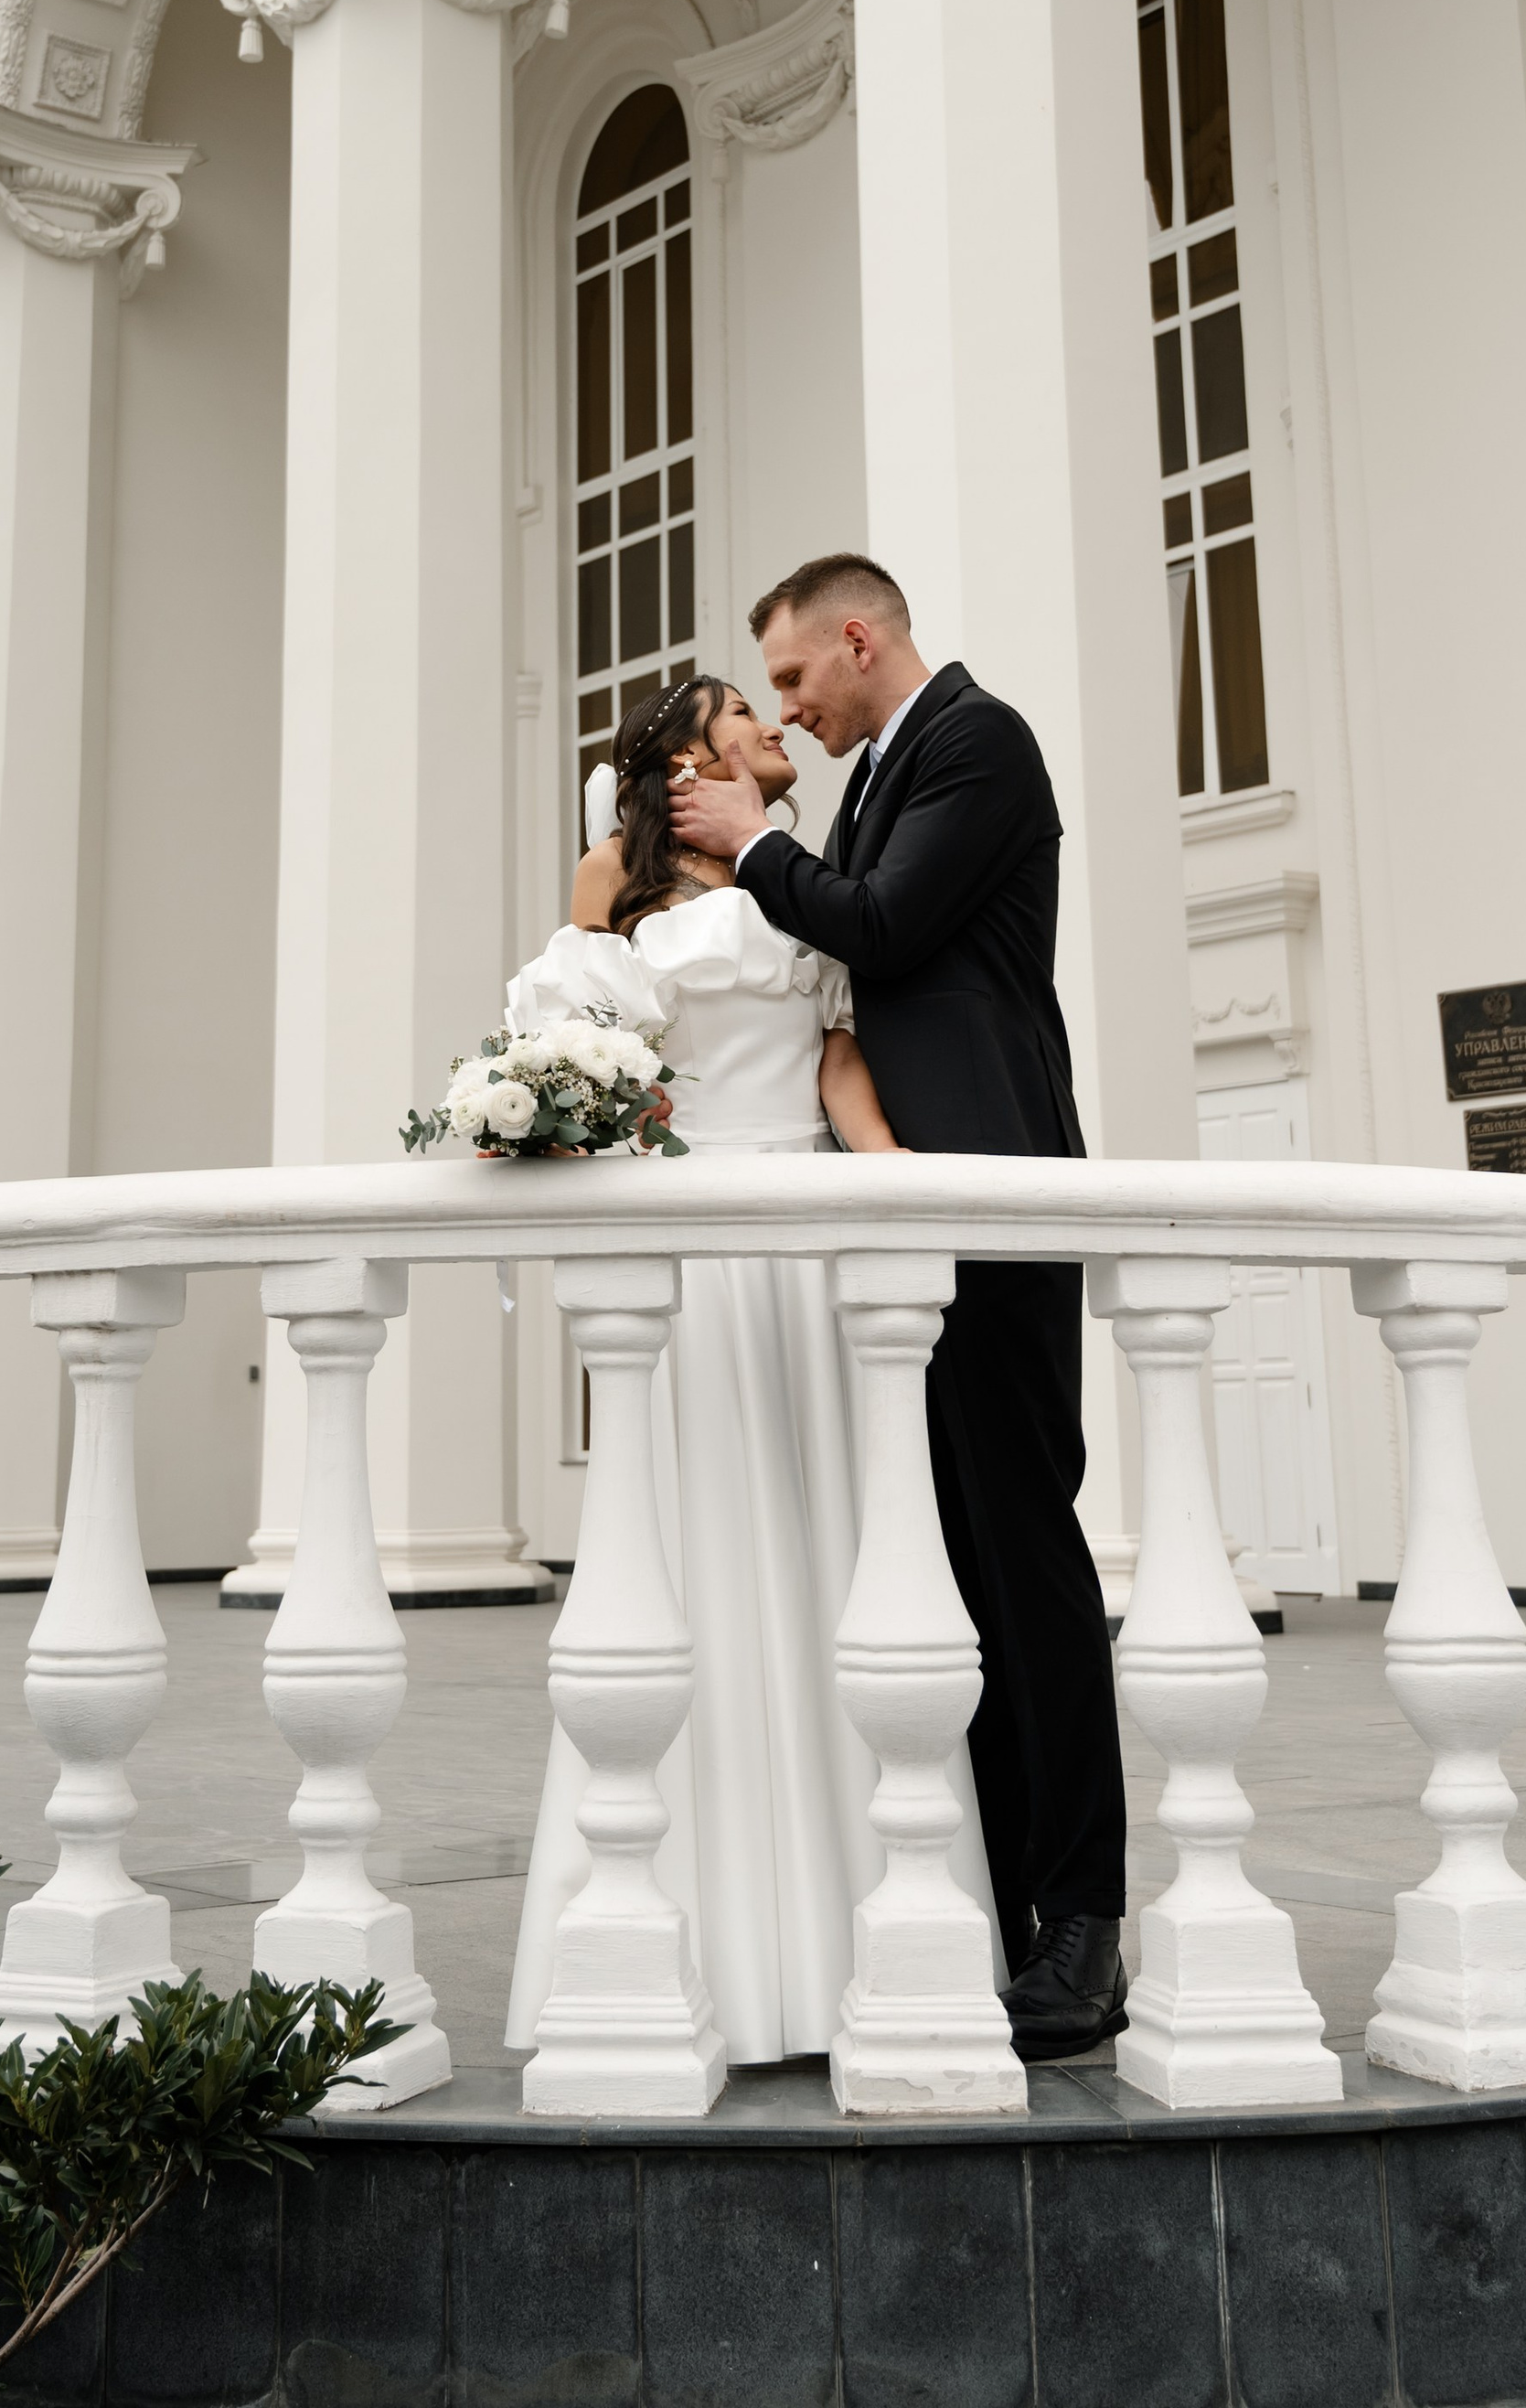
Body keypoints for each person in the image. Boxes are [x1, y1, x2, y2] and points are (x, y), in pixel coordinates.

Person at [502, 672, 1001, 2065]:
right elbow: (582, 1072)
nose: (767, 724)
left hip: (811, 1267)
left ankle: (863, 1946)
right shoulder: (618, 905)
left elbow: (846, 1082)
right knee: (703, 1568)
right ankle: (699, 1947)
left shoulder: (812, 889)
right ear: (680, 763)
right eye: (740, 707)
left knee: (840, 1560)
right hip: (702, 1268)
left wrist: (910, 1199)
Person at [668, 552, 1128, 2062]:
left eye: (796, 679)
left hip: (990, 1199)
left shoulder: (978, 741)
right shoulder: (877, 777)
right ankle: (1007, 1903)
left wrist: (745, 848)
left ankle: (1083, 1919)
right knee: (951, 1573)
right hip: (899, 1224)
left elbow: (881, 924)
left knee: (1027, 1551)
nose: (788, 715)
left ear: (859, 639)